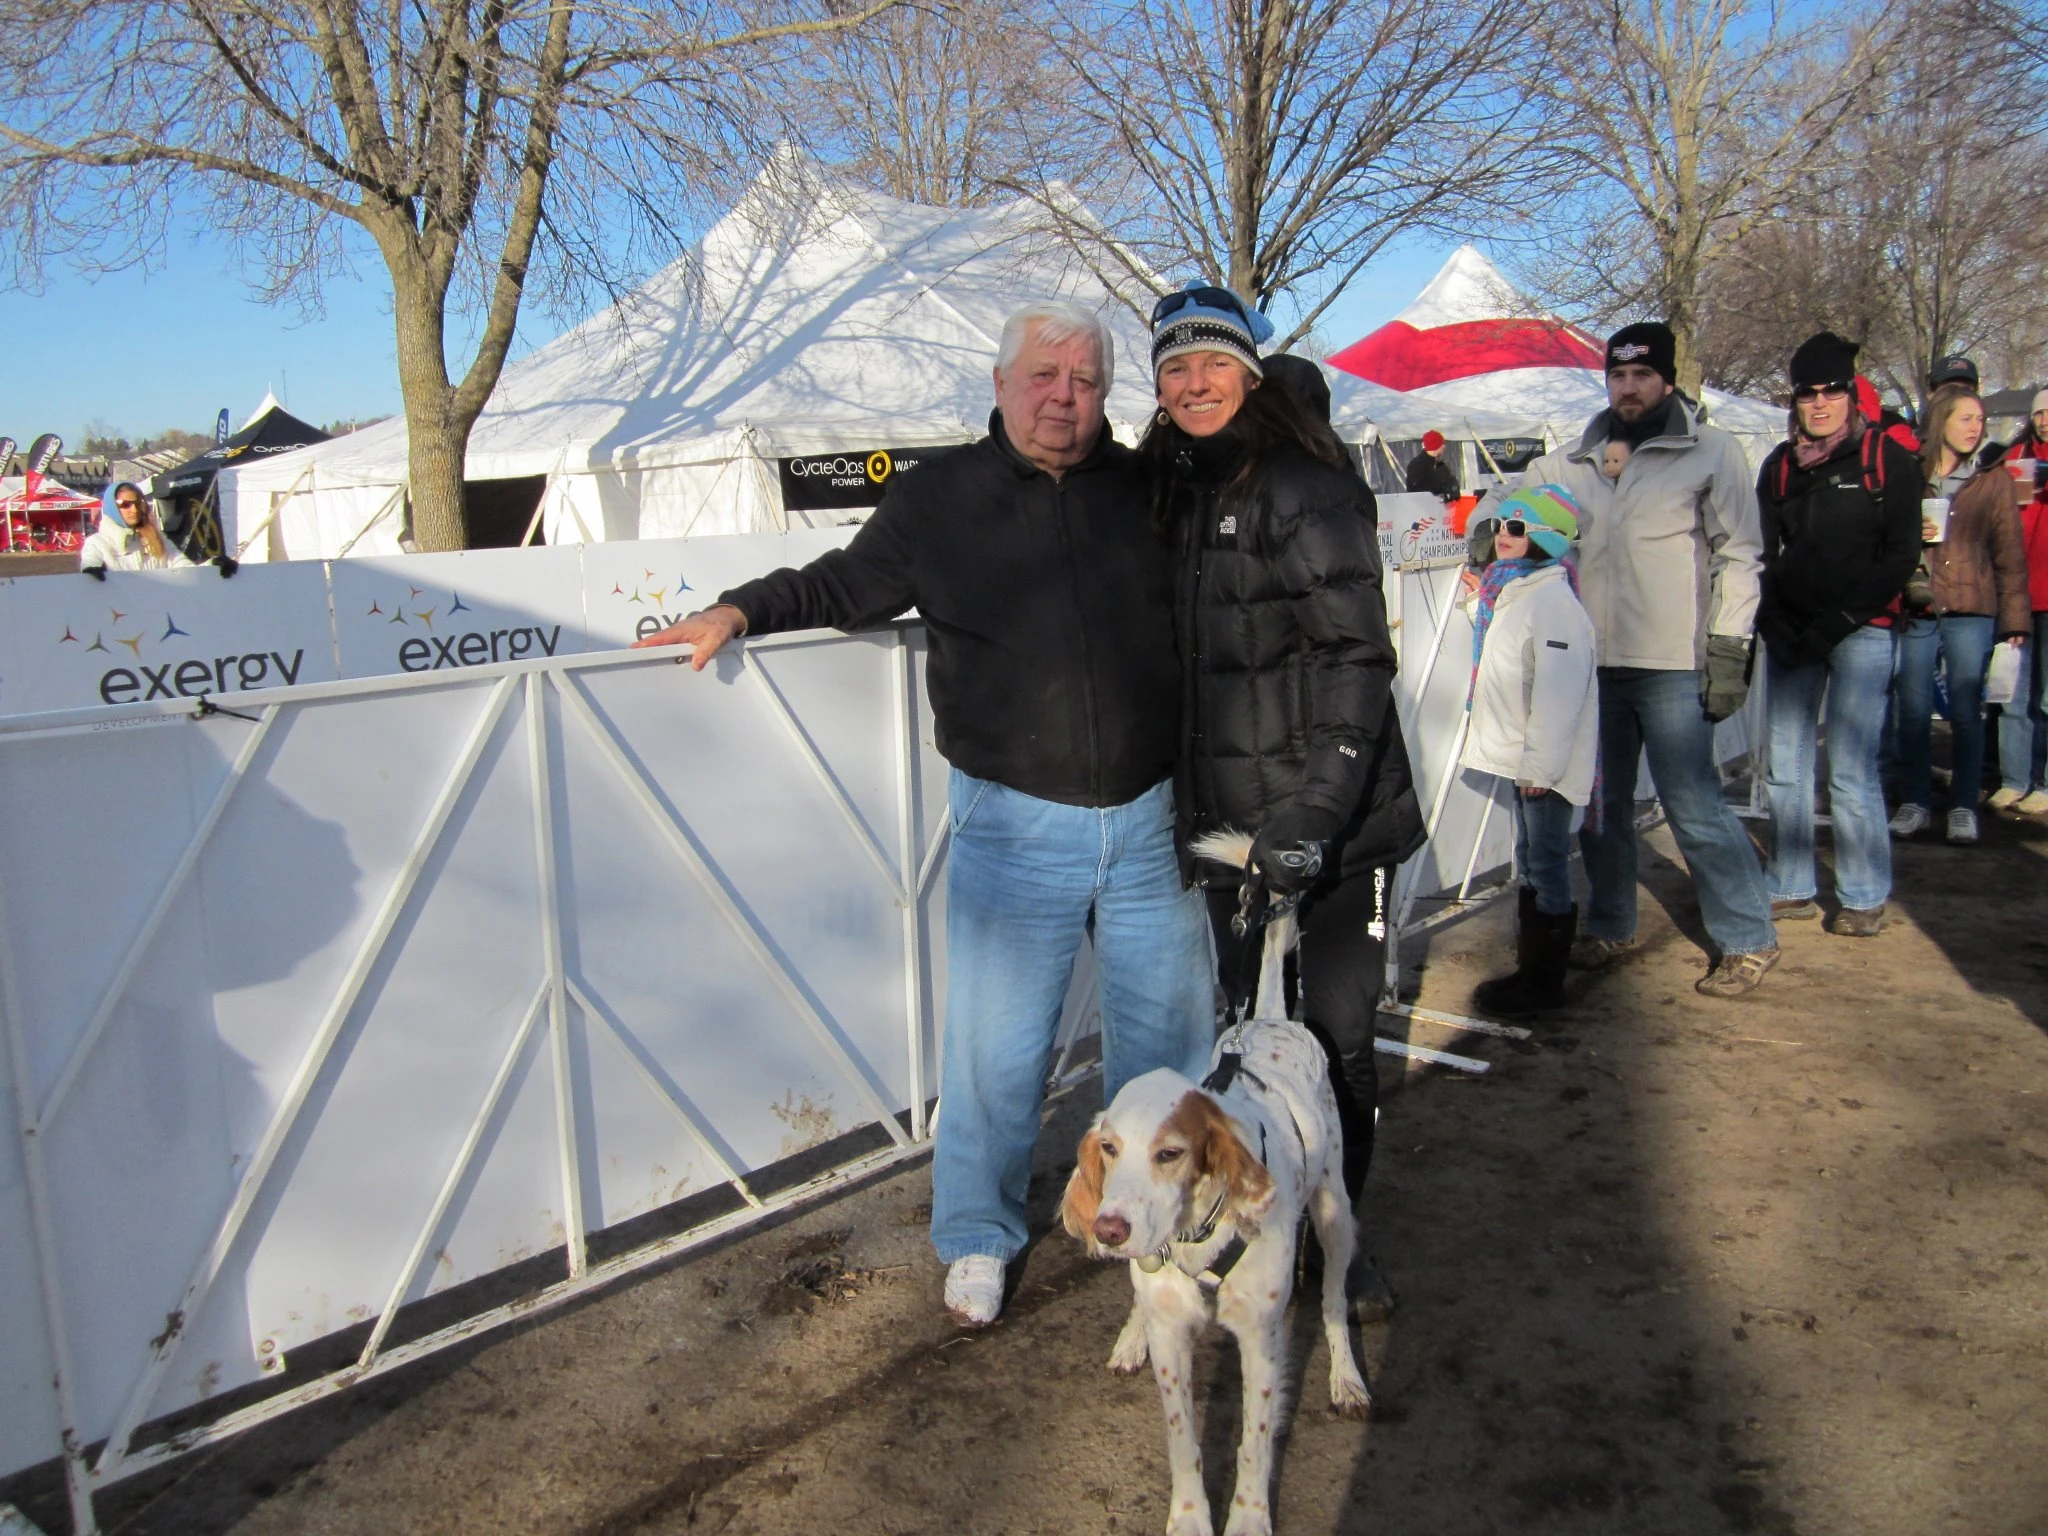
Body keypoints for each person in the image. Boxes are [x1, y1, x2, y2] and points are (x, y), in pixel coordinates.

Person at [632, 301, 1215, 1329]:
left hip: (1149, 815)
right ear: (999, 383)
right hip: (1012, 820)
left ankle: (1161, 1231)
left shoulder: (1146, 490)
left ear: (1106, 395)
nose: (1061, 398)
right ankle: (979, 1239)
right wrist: (737, 609)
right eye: (1042, 375)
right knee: (995, 1052)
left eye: (1082, 381)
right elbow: (842, 582)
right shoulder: (940, 496)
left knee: (1164, 1047)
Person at [1144, 281, 1424, 1318]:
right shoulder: (1168, 487)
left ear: (1250, 373)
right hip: (1230, 835)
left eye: (1213, 361)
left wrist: (1313, 813)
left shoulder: (1300, 485)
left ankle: (1339, 1238)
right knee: (1248, 1043)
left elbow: (1357, 655)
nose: (1193, 382)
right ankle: (1261, 1222)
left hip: (1336, 829)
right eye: (1174, 366)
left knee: (1337, 1034)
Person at [1513, 321, 1779, 997]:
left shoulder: (1709, 451)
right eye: (1618, 376)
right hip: (1595, 663)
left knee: (1693, 806)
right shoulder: (1576, 457)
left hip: (1673, 661)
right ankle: (1611, 923)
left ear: (1666, 380)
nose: (1629, 388)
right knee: (1602, 809)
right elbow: (1511, 502)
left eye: (1642, 375)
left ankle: (1747, 935)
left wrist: (1729, 643)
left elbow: (1740, 552)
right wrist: (1491, 533)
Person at [1754, 332, 1922, 937]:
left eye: (1831, 391)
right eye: (1807, 393)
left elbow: (1901, 554)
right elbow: (1763, 552)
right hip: (1795, 631)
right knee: (1786, 767)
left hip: (1863, 629)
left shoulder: (1889, 462)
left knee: (1850, 769)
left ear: (1851, 394)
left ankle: (1863, 893)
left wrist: (1845, 618)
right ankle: (1791, 883)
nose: (1820, 403)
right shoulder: (1778, 467)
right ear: (1794, 400)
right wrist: (1773, 620)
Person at [1458, 485, 1598, 1015]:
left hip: (1545, 763)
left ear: (1545, 539)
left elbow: (1559, 693)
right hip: (1529, 759)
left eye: (1517, 528)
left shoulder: (1552, 602)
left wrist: (1540, 766)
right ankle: (1531, 972)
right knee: (1532, 860)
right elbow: (1502, 647)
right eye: (1500, 526)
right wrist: (1477, 601)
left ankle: (1544, 984)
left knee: (1546, 863)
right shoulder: (1518, 591)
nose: (1503, 536)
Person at [1890, 386, 2029, 844]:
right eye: (1966, 418)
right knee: (1911, 708)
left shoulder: (1994, 478)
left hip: (1972, 606)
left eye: (1980, 420)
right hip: (1920, 604)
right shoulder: (1911, 471)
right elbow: (1888, 534)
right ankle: (1915, 801)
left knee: (1967, 710)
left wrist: (2014, 622)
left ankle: (1964, 805)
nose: (1976, 428)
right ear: (1941, 421)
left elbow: (2009, 553)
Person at [1992, 391, 2048, 814]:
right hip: (2017, 592)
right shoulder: (2016, 455)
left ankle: (2045, 784)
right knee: (2013, 693)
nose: (2045, 419)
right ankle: (2014, 779)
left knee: (2047, 699)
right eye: (2040, 412)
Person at [79, 483, 203, 576]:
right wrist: (90, 571)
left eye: (138, 503)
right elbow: (89, 562)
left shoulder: (156, 537)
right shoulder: (97, 543)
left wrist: (212, 568)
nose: (134, 509)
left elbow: (184, 568)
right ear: (112, 507)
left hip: (156, 607)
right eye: (125, 504)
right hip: (120, 609)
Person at [1405, 429, 1460, 499]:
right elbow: (1415, 489)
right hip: (1423, 507)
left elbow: (1449, 481)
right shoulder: (1417, 465)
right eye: (1441, 444)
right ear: (1435, 446)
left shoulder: (1441, 465)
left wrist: (1453, 487)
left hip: (1441, 508)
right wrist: (1441, 488)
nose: (1444, 446)